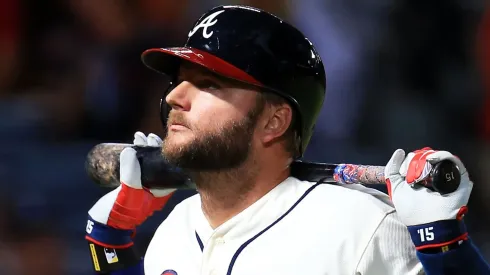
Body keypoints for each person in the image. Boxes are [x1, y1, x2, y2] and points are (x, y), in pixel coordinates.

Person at [85, 5, 490, 275]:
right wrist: (110, 239)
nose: (175, 96)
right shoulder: (175, 228)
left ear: (274, 121)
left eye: (208, 85)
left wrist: (446, 248)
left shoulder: (361, 227)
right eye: (178, 81)